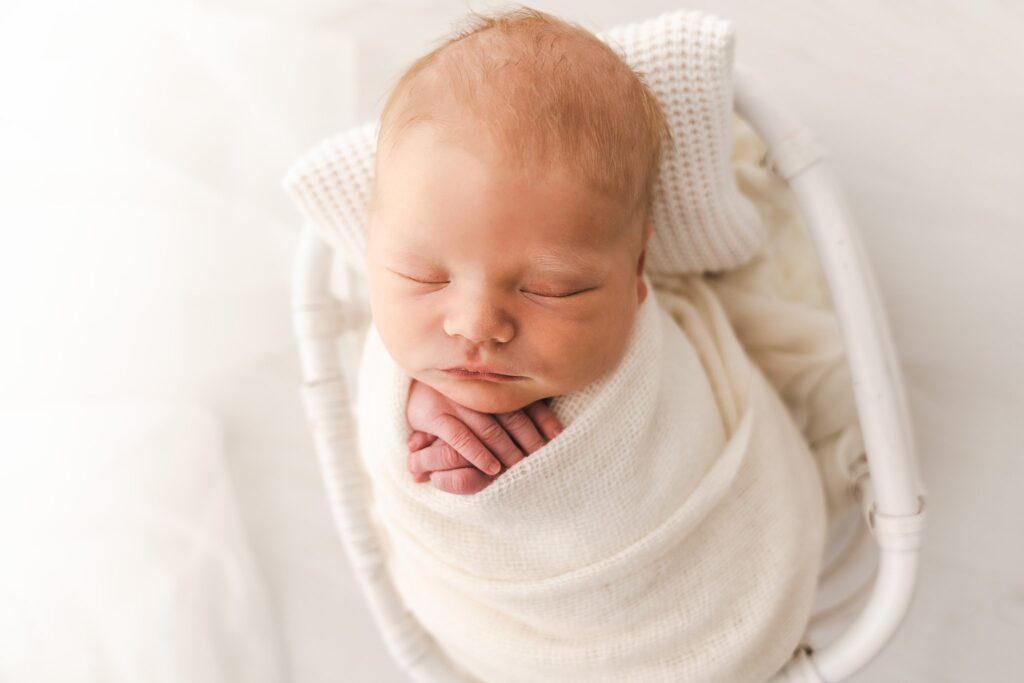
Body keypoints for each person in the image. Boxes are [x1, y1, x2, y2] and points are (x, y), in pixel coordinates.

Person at [363, 6, 669, 495]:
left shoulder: (660, 375)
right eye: (424, 277)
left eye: (552, 289)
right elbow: (370, 424)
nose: (477, 325)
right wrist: (409, 406)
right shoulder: (399, 337)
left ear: (637, 268)